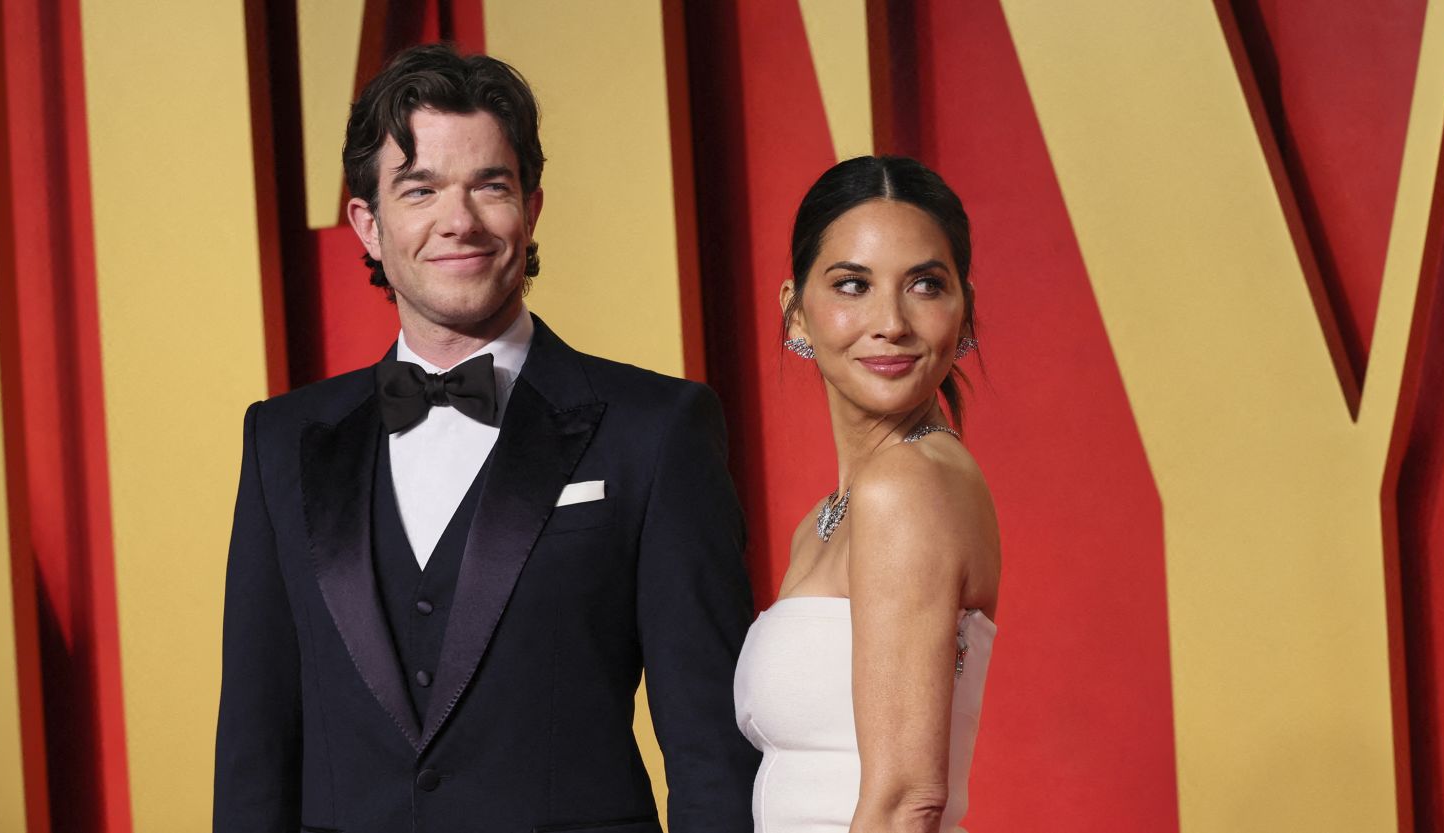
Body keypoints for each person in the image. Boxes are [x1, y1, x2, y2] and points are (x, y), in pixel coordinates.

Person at [213, 43, 759, 833]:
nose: (458, 221)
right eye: (420, 188)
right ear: (368, 223)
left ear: (531, 209)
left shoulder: (656, 430)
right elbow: (255, 752)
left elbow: (713, 754)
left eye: (489, 185)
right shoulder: (281, 441)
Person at [733, 156, 1001, 832]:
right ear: (796, 313)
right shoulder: (823, 521)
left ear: (962, 311)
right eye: (853, 284)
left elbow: (907, 800)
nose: (890, 321)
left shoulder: (907, 487)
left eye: (925, 285)